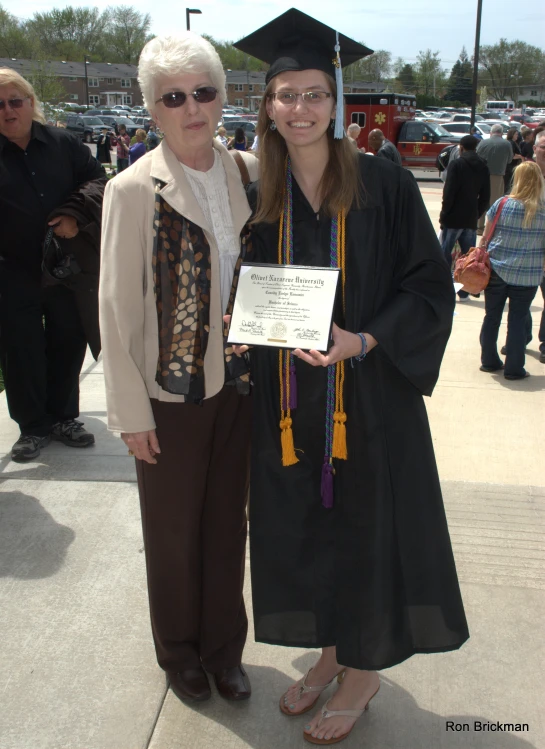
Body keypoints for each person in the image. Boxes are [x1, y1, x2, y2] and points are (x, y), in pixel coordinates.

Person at [233, 10, 468, 745]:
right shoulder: (258, 191)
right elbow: (251, 285)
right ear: (266, 106)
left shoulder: (383, 185)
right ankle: (330, 649)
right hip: (287, 398)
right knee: (304, 525)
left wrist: (361, 338)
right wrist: (248, 333)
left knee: (366, 528)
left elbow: (429, 287)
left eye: (312, 93)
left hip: (368, 399)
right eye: (284, 95)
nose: (298, 108)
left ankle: (363, 670)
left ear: (334, 101)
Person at [99, 32, 259, 707]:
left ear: (222, 98)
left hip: (240, 385)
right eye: (174, 96)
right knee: (172, 534)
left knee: (228, 525)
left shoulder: (247, 171)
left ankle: (225, 647)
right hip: (170, 392)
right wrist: (131, 414)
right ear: (152, 108)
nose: (192, 107)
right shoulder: (132, 188)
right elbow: (114, 308)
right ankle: (180, 653)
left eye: (204, 91)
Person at [0, 68, 106, 462]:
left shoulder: (64, 143)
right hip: (11, 270)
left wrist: (74, 212)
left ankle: (63, 417)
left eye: (16, 101)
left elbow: (99, 181)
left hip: (64, 267)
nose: (9, 111)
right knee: (20, 347)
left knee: (67, 338)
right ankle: (32, 426)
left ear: (31, 103)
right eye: (0, 104)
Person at [479, 161, 545, 380]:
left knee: (492, 317)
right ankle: (514, 368)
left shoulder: (502, 203)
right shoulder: (542, 208)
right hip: (528, 275)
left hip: (497, 269)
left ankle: (489, 361)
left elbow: (486, 236)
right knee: (517, 321)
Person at [439, 135, 490, 301]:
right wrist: (477, 213)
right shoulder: (483, 165)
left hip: (453, 216)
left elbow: (449, 192)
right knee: (469, 257)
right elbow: (485, 195)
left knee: (445, 253)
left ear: (461, 147)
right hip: (470, 217)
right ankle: (464, 289)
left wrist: (444, 214)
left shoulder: (457, 164)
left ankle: (444, 286)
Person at [476, 124, 512, 233]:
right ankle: (491, 228)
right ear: (501, 133)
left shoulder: (483, 142)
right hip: (498, 175)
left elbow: (477, 156)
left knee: (481, 201)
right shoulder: (507, 144)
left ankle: (479, 227)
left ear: (491, 132)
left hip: (482, 175)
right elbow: (510, 160)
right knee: (495, 203)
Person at [504, 127, 523, 192]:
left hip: (512, 165)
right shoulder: (511, 143)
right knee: (509, 183)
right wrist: (520, 157)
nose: (517, 136)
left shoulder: (513, 142)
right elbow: (512, 155)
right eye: (516, 134)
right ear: (512, 134)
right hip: (511, 165)